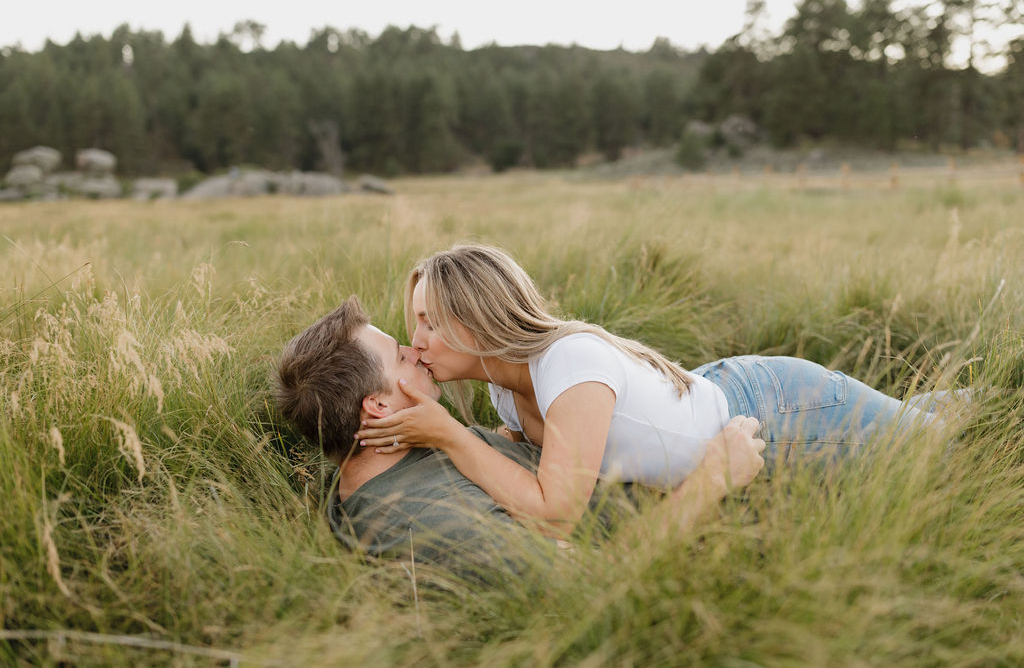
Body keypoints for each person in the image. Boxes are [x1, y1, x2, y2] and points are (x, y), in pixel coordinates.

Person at [355, 244, 952, 538]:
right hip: (725, 402)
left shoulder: (567, 362)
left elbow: (556, 509)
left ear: (478, 317)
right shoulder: (507, 393)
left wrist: (451, 436)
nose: (417, 339)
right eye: (416, 323)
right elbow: (530, 475)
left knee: (949, 444)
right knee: (923, 424)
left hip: (778, 410)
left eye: (430, 320)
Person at [273, 297, 766, 570]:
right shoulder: (430, 522)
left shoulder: (379, 460)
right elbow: (594, 581)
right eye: (398, 355)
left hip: (702, 405)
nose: (413, 348)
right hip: (739, 468)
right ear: (377, 406)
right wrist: (715, 479)